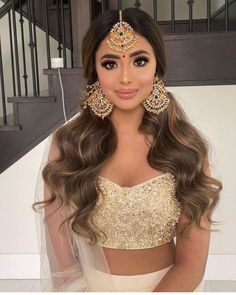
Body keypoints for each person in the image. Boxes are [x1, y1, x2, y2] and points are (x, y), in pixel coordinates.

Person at [33, 7, 222, 292]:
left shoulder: (186, 148)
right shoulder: (70, 144)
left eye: (140, 61)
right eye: (110, 64)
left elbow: (191, 265)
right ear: (93, 70)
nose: (125, 78)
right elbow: (61, 256)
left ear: (157, 66)